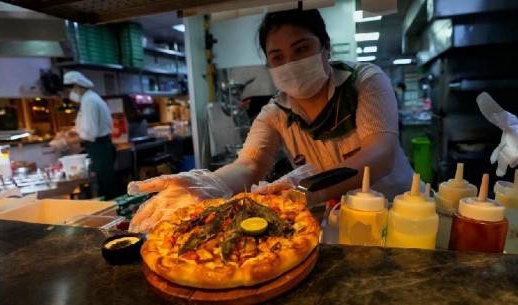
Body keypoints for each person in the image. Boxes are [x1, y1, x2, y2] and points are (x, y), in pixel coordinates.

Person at [128, 8, 415, 233]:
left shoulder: (365, 82)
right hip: (341, 220)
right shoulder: (276, 112)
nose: (290, 63)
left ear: (325, 48)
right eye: (277, 57)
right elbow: (249, 164)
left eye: (301, 49)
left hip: (399, 214)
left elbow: (380, 153)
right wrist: (210, 184)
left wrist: (305, 192)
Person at [62, 71, 119, 200]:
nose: (69, 93)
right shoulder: (89, 99)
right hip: (98, 146)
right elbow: (86, 127)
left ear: (76, 86)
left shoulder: (90, 101)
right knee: (103, 182)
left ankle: (113, 215)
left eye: (69, 89)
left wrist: (66, 142)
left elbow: (91, 133)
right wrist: (73, 132)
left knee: (105, 184)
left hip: (99, 147)